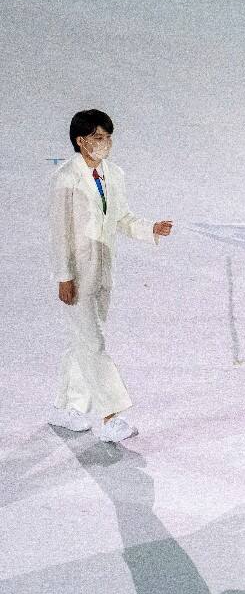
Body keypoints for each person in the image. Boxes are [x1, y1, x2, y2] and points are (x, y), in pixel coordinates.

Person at [48, 109, 173, 443]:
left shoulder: (114, 174)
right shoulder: (66, 179)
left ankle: (70, 408)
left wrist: (151, 229)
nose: (107, 143)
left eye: (108, 136)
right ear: (81, 141)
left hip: (103, 270)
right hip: (76, 273)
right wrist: (63, 275)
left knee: (84, 339)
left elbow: (121, 218)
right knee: (93, 342)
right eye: (99, 137)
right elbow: (59, 232)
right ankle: (110, 417)